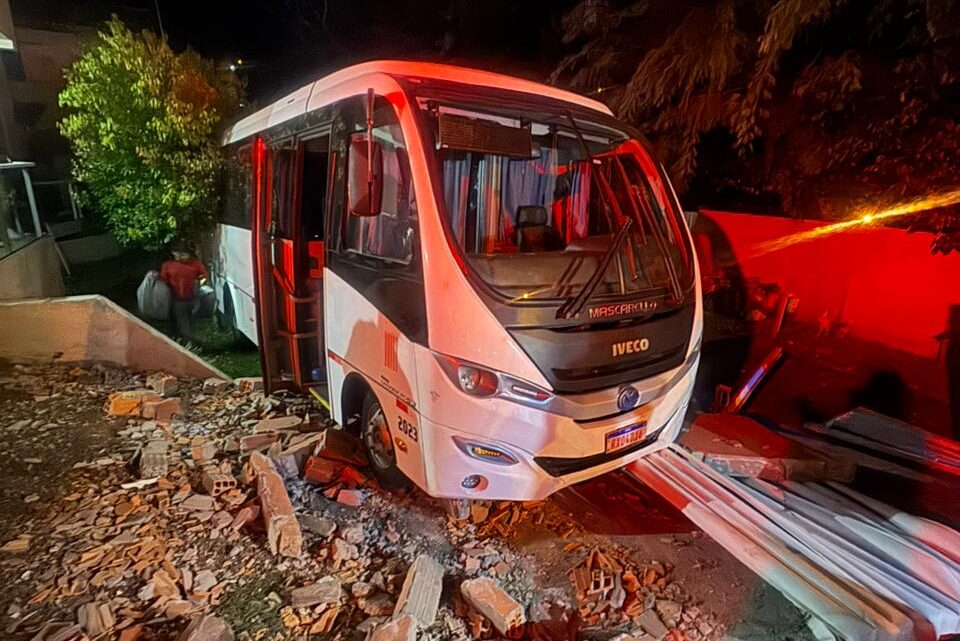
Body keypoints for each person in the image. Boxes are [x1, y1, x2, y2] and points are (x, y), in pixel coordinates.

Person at [159, 244, 208, 341]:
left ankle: (188, 340)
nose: (180, 256)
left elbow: (204, 276)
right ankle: (187, 340)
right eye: (178, 254)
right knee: (183, 321)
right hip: (178, 299)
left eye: (183, 254)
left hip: (191, 298)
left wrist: (198, 284)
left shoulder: (195, 263)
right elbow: (163, 281)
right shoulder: (168, 265)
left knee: (188, 321)